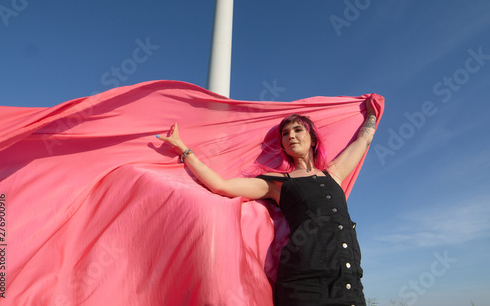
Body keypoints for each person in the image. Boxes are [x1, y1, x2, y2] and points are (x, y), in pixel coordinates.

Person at [156, 99, 377, 306]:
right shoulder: (278, 183)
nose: (291, 136)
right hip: (305, 283)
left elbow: (364, 139)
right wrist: (183, 149)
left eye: (298, 130)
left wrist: (371, 114)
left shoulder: (335, 174)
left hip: (349, 280)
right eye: (285, 133)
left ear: (313, 139)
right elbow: (221, 186)